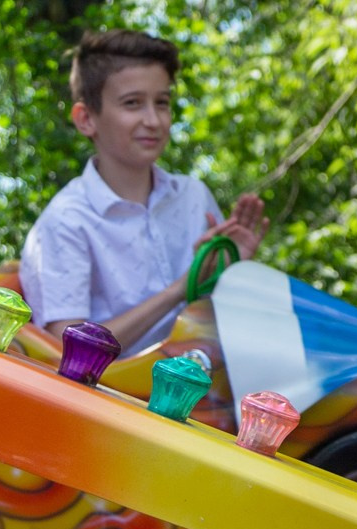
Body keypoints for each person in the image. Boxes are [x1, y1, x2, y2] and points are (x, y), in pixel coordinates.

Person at [19, 30, 268, 357]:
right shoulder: (67, 221)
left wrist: (232, 272)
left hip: (207, 388)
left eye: (161, 103)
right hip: (112, 401)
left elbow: (223, 317)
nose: (153, 120)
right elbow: (68, 353)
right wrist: (179, 289)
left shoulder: (193, 196)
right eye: (132, 103)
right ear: (86, 119)